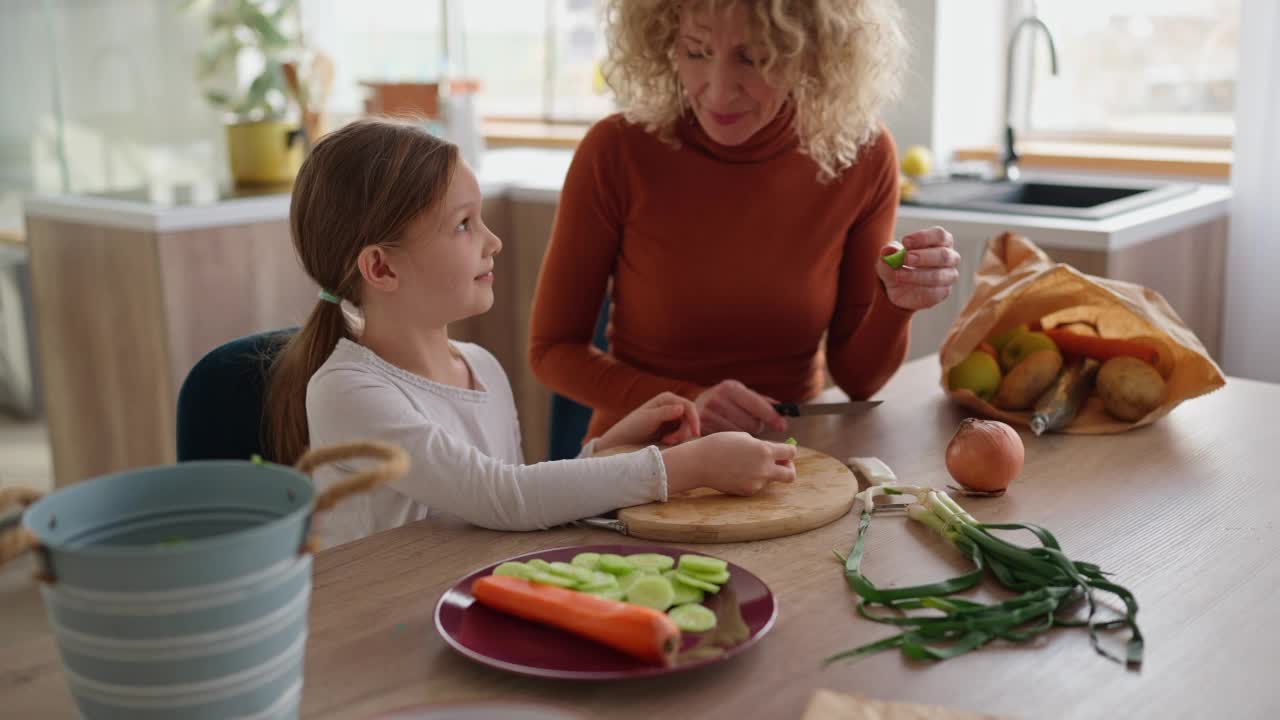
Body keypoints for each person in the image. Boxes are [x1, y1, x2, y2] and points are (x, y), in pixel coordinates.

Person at [262, 119, 797, 549]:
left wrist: (610, 449)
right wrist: (687, 466)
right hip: (381, 642)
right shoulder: (346, 391)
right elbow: (504, 498)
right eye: (464, 224)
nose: (492, 242)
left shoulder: (481, 366)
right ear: (380, 269)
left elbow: (510, 505)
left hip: (459, 613)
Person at [529, 0, 961, 444]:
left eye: (755, 59)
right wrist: (686, 401)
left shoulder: (860, 156)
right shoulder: (617, 150)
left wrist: (896, 303)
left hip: (790, 459)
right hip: (642, 461)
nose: (717, 91)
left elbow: (858, 382)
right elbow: (552, 352)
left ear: (812, 51)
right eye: (696, 52)